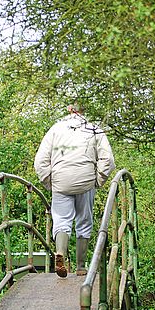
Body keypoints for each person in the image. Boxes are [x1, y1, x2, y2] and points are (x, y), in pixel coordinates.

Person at [34, 103, 115, 277]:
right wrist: (98, 181)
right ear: (84, 111)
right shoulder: (94, 130)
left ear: (69, 110)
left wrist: (50, 183)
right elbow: (107, 159)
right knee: (84, 222)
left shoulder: (55, 129)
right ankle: (81, 267)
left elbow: (40, 161)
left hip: (61, 182)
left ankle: (60, 252)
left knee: (62, 220)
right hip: (85, 182)